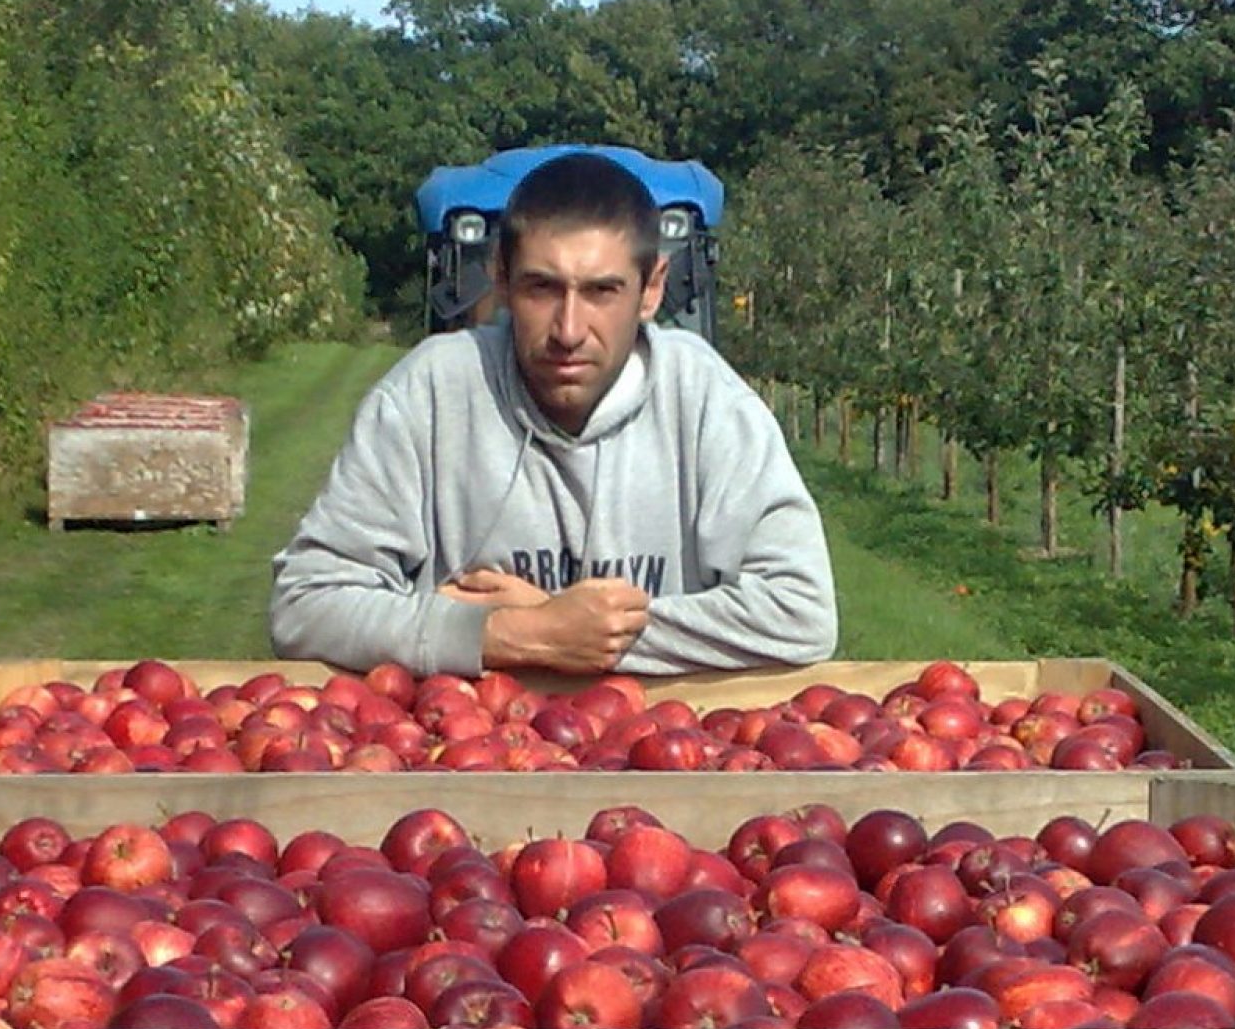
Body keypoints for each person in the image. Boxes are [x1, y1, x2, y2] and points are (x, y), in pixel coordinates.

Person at [269, 148, 838, 675]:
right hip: (468, 762)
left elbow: (802, 613)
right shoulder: (431, 394)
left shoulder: (706, 401)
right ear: (501, 278)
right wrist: (517, 634)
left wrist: (577, 631)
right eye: (543, 288)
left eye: (601, 292)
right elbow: (304, 604)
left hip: (656, 765)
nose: (568, 330)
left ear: (651, 290)